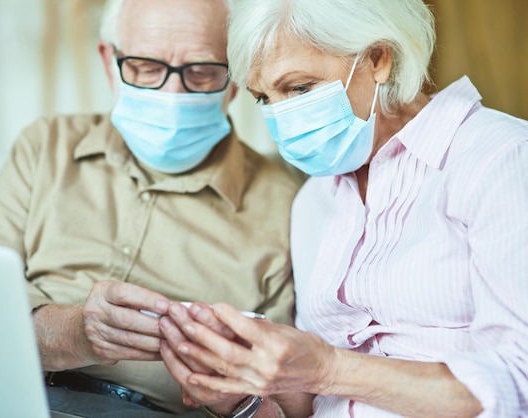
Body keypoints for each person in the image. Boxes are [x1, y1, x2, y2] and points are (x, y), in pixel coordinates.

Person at [158, 0, 528, 417]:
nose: (281, 114)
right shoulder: (312, 201)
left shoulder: (503, 157)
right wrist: (237, 390)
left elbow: (520, 384)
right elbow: (312, 401)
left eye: (298, 88)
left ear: (378, 59)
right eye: (263, 98)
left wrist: (330, 368)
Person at [0, 0, 302, 416]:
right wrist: (74, 333)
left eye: (201, 71)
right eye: (146, 66)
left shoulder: (285, 203)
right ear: (110, 63)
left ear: (235, 80)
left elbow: (294, 403)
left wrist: (235, 399)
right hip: (0, 397)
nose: (171, 94)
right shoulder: (46, 147)